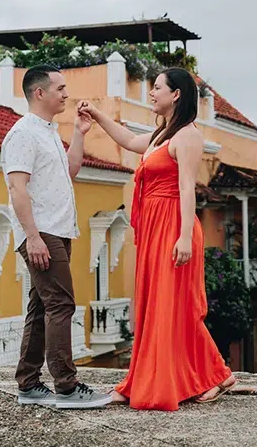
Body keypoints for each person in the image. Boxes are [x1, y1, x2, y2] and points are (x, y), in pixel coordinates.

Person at [78, 67, 237, 411]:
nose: (151, 93)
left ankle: (217, 374)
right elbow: (125, 139)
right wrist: (96, 114)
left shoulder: (187, 137)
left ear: (176, 94)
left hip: (173, 226)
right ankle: (189, 377)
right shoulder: (160, 135)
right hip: (154, 227)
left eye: (157, 88)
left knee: (174, 307)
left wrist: (182, 237)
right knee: (158, 307)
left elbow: (186, 189)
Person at [2, 64, 112, 410]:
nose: (66, 94)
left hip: (58, 229)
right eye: (60, 88)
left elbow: (70, 171)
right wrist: (32, 237)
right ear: (40, 93)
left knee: (40, 308)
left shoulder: (47, 131)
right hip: (42, 231)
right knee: (62, 304)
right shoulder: (22, 134)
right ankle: (66, 386)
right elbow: (16, 188)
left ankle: (29, 384)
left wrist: (80, 133)